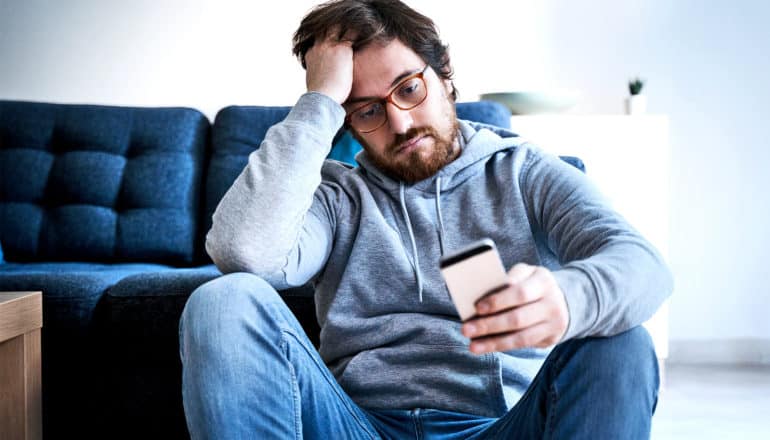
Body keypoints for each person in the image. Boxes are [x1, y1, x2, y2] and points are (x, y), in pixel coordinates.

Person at [179, 0, 673, 438]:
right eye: (366, 110)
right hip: (356, 425)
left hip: (499, 425)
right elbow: (246, 253)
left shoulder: (522, 171)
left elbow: (643, 264)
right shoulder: (336, 196)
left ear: (445, 72)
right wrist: (320, 101)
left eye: (409, 88)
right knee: (223, 300)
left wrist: (567, 299)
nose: (400, 122)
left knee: (623, 342)